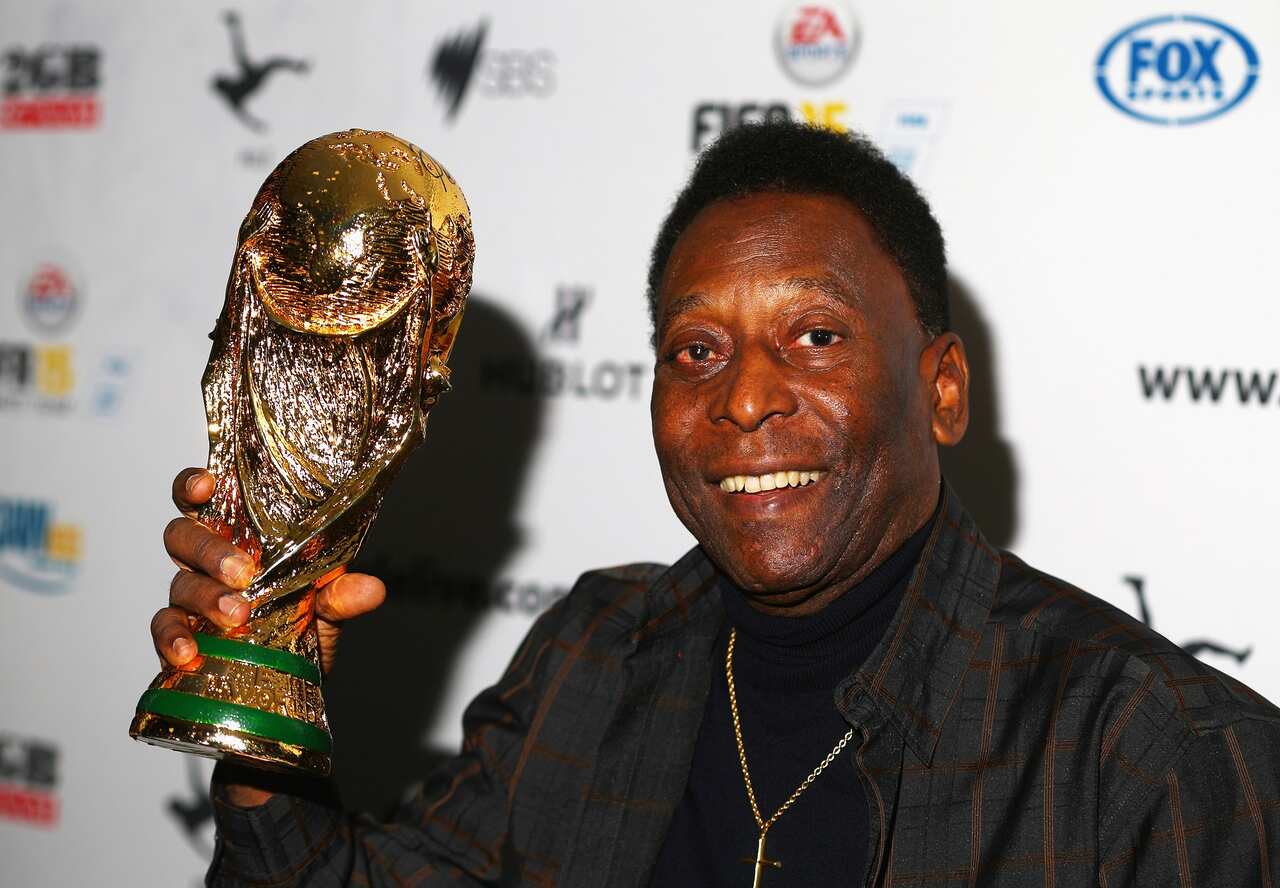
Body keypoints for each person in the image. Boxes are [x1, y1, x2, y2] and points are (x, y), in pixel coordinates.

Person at [151, 122, 1280, 886]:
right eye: (696, 349)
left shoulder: (1159, 758)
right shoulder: (594, 655)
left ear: (940, 390)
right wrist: (267, 719)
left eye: (815, 335)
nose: (742, 397)